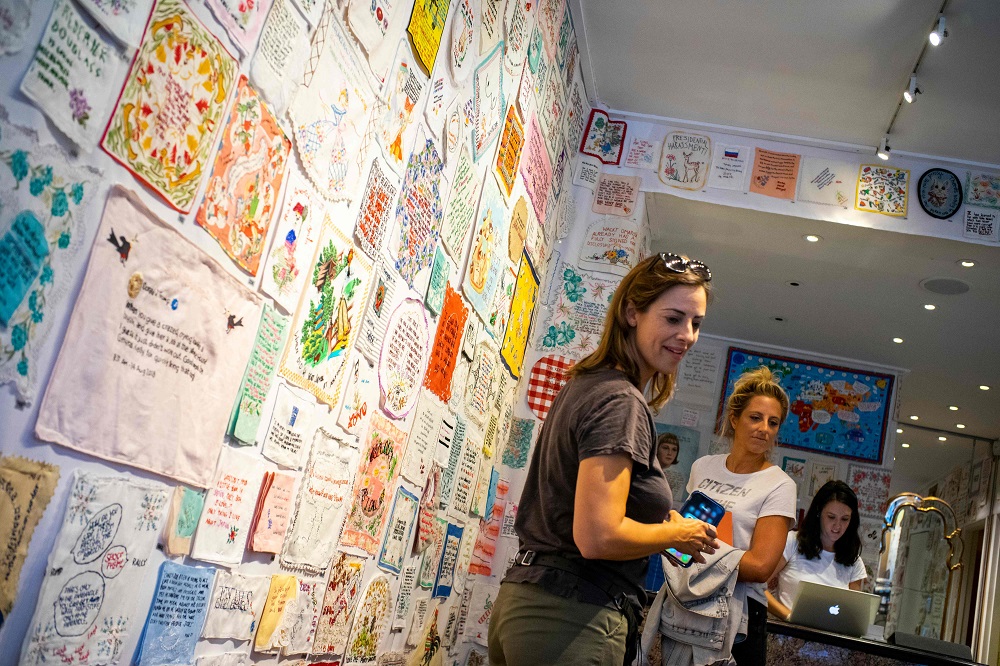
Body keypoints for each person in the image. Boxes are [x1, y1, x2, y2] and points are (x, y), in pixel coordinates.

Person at [488, 253, 720, 666]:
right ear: (632, 312)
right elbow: (597, 536)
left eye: (696, 323)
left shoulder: (588, 384)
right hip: (570, 618)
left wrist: (663, 524)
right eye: (673, 318)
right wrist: (676, 537)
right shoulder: (620, 401)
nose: (686, 335)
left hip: (530, 602)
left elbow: (578, 508)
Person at [685, 367, 797, 664]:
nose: (765, 429)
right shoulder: (703, 467)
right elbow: (680, 537)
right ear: (734, 419)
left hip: (742, 613)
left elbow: (761, 567)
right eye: (755, 417)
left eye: (773, 423)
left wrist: (694, 543)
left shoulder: (780, 485)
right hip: (689, 601)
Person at [765, 480, 867, 621]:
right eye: (831, 517)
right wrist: (789, 616)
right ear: (818, 512)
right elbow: (759, 586)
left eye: (845, 519)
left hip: (830, 639)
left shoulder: (854, 560)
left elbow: (851, 615)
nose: (837, 526)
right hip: (787, 632)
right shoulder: (793, 542)